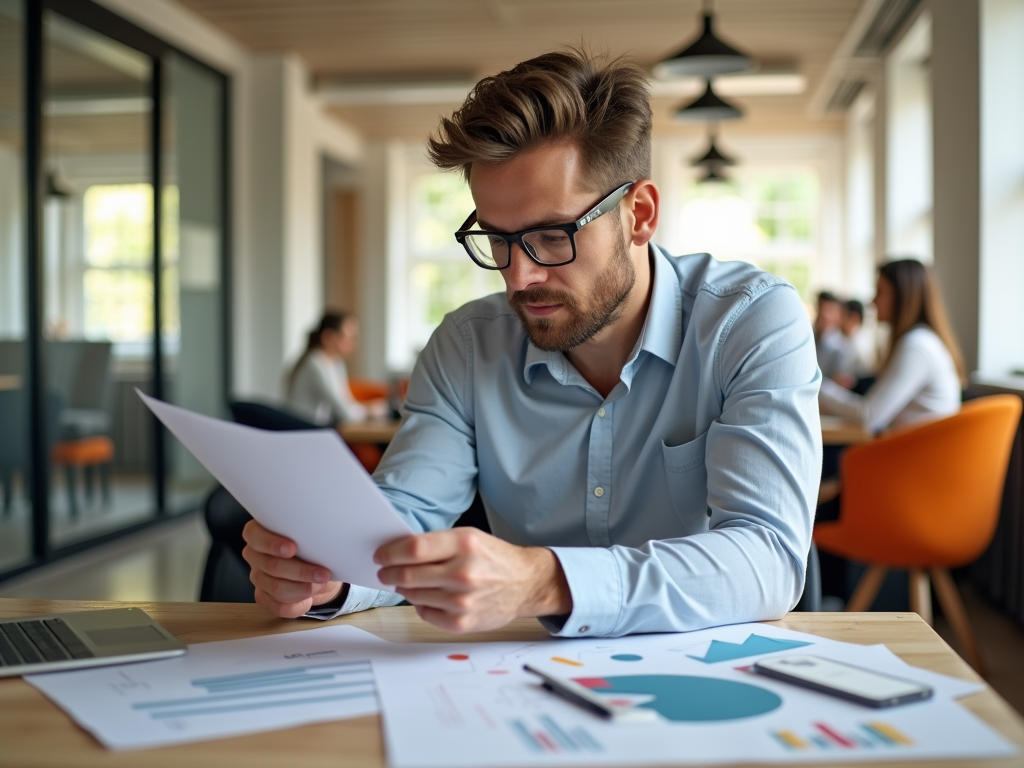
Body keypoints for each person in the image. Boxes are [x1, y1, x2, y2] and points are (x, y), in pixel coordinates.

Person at [243, 48, 822, 637]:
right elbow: (404, 518)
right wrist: (333, 572)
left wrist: (546, 582)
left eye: (551, 236)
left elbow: (768, 556)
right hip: (519, 686)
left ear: (639, 214)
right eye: (497, 239)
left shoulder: (749, 322)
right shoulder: (466, 347)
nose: (519, 277)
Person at [818, 259, 964, 435]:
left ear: (903, 296)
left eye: (880, 292)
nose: (872, 301)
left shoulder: (916, 346)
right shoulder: (922, 340)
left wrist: (821, 389)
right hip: (914, 449)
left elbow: (869, 416)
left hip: (914, 456)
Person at [285, 311, 386, 426]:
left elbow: (347, 404)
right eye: (349, 337)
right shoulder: (314, 364)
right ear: (328, 337)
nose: (354, 342)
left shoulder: (336, 363)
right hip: (305, 431)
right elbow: (346, 413)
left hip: (319, 428)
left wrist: (366, 409)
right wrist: (370, 410)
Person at [813, 291, 845, 379]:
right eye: (820, 309)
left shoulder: (839, 346)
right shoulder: (810, 333)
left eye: (828, 310)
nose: (824, 314)